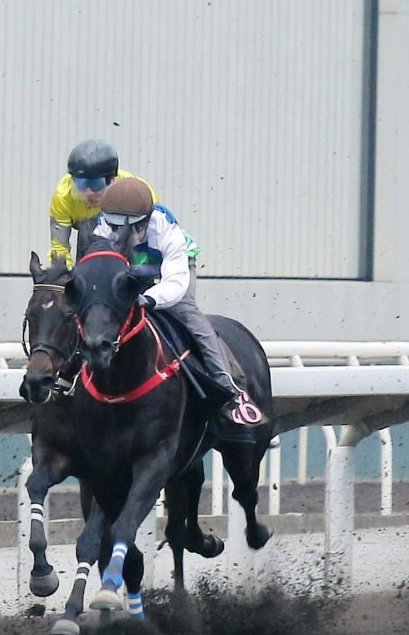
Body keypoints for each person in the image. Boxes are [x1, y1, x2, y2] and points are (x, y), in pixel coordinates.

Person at [88, 178, 262, 427]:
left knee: (188, 314)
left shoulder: (167, 229)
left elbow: (176, 283)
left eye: (136, 228)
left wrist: (149, 299)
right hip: (132, 270)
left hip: (171, 271)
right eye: (116, 229)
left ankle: (227, 385)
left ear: (148, 220)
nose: (127, 237)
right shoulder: (101, 228)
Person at [47, 139, 189, 267]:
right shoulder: (62, 196)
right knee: (86, 235)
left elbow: (151, 238)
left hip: (134, 240)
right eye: (81, 184)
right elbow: (60, 248)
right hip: (91, 237)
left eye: (96, 184)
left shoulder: (137, 194)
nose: (89, 193)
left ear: (112, 181)